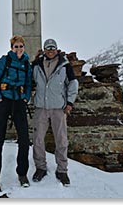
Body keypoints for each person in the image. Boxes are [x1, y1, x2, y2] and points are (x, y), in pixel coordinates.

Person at [0, 35, 32, 193]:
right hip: (4, 101)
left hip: (19, 102)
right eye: (16, 47)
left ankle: (22, 174)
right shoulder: (4, 61)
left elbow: (28, 84)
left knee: (25, 139)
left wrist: (26, 97)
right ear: (11, 48)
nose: (19, 49)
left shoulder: (27, 64)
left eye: (21, 46)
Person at [31, 38, 78, 186]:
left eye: (53, 48)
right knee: (37, 139)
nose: (50, 50)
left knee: (61, 140)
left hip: (59, 108)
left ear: (56, 50)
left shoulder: (64, 65)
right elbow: (30, 83)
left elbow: (73, 83)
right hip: (41, 108)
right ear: (44, 50)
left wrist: (69, 103)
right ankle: (40, 168)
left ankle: (62, 170)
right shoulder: (36, 65)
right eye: (48, 48)